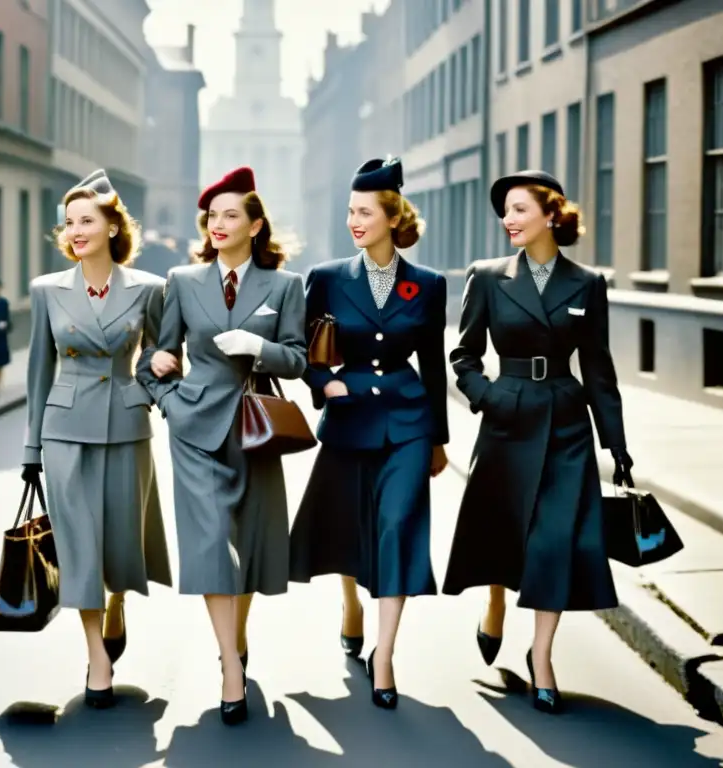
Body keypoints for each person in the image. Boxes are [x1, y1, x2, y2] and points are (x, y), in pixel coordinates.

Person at [442, 170, 634, 715]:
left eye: (520, 209)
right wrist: (489, 397)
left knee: (554, 542)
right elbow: (463, 356)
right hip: (508, 417)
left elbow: (598, 368)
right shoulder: (487, 276)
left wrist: (616, 444)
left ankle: (542, 656)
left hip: (566, 422)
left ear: (552, 215)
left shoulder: (587, 283)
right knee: (505, 532)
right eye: (504, 210)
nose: (508, 219)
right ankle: (495, 603)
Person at [135, 166, 307, 726]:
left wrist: (259, 345)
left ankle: (236, 634)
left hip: (256, 428)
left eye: (232, 215)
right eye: (212, 216)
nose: (219, 224)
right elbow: (155, 358)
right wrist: (165, 391)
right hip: (196, 429)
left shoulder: (285, 287)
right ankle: (231, 663)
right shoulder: (182, 281)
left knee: (250, 547)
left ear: (256, 225)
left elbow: (299, 360)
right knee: (211, 544)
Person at [289, 157, 449, 710]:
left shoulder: (429, 285)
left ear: (392, 215)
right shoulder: (329, 279)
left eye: (364, 212)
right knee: (352, 527)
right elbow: (302, 349)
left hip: (408, 422)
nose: (354, 221)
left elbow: (433, 365)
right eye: (350, 212)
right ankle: (351, 604)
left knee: (397, 524)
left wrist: (438, 439)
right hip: (349, 419)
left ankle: (384, 654)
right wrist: (321, 385)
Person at [21, 169, 172, 710]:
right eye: (69, 223)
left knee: (119, 544)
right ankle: (98, 659)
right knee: (80, 548)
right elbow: (38, 372)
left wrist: (160, 374)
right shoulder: (47, 291)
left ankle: (117, 604)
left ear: (112, 226)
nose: (76, 230)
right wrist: (31, 450)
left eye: (87, 220)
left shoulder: (151, 290)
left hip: (127, 427)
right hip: (64, 430)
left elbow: (158, 364)